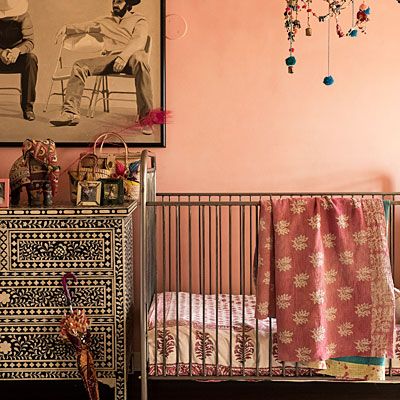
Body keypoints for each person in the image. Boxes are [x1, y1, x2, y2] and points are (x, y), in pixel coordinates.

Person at [50, 0, 154, 134]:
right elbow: (86, 26)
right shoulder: (104, 21)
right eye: (114, 1)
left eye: (119, 1)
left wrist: (123, 57)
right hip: (111, 59)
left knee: (141, 60)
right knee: (79, 66)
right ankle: (71, 113)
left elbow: (139, 41)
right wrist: (66, 28)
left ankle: (146, 119)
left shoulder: (139, 20)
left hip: (132, 57)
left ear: (128, 4)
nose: (115, 4)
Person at [0, 0, 38, 121]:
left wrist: (17, 51)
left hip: (17, 57)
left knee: (31, 59)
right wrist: (1, 52)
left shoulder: (24, 16)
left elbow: (30, 41)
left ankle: (28, 108)